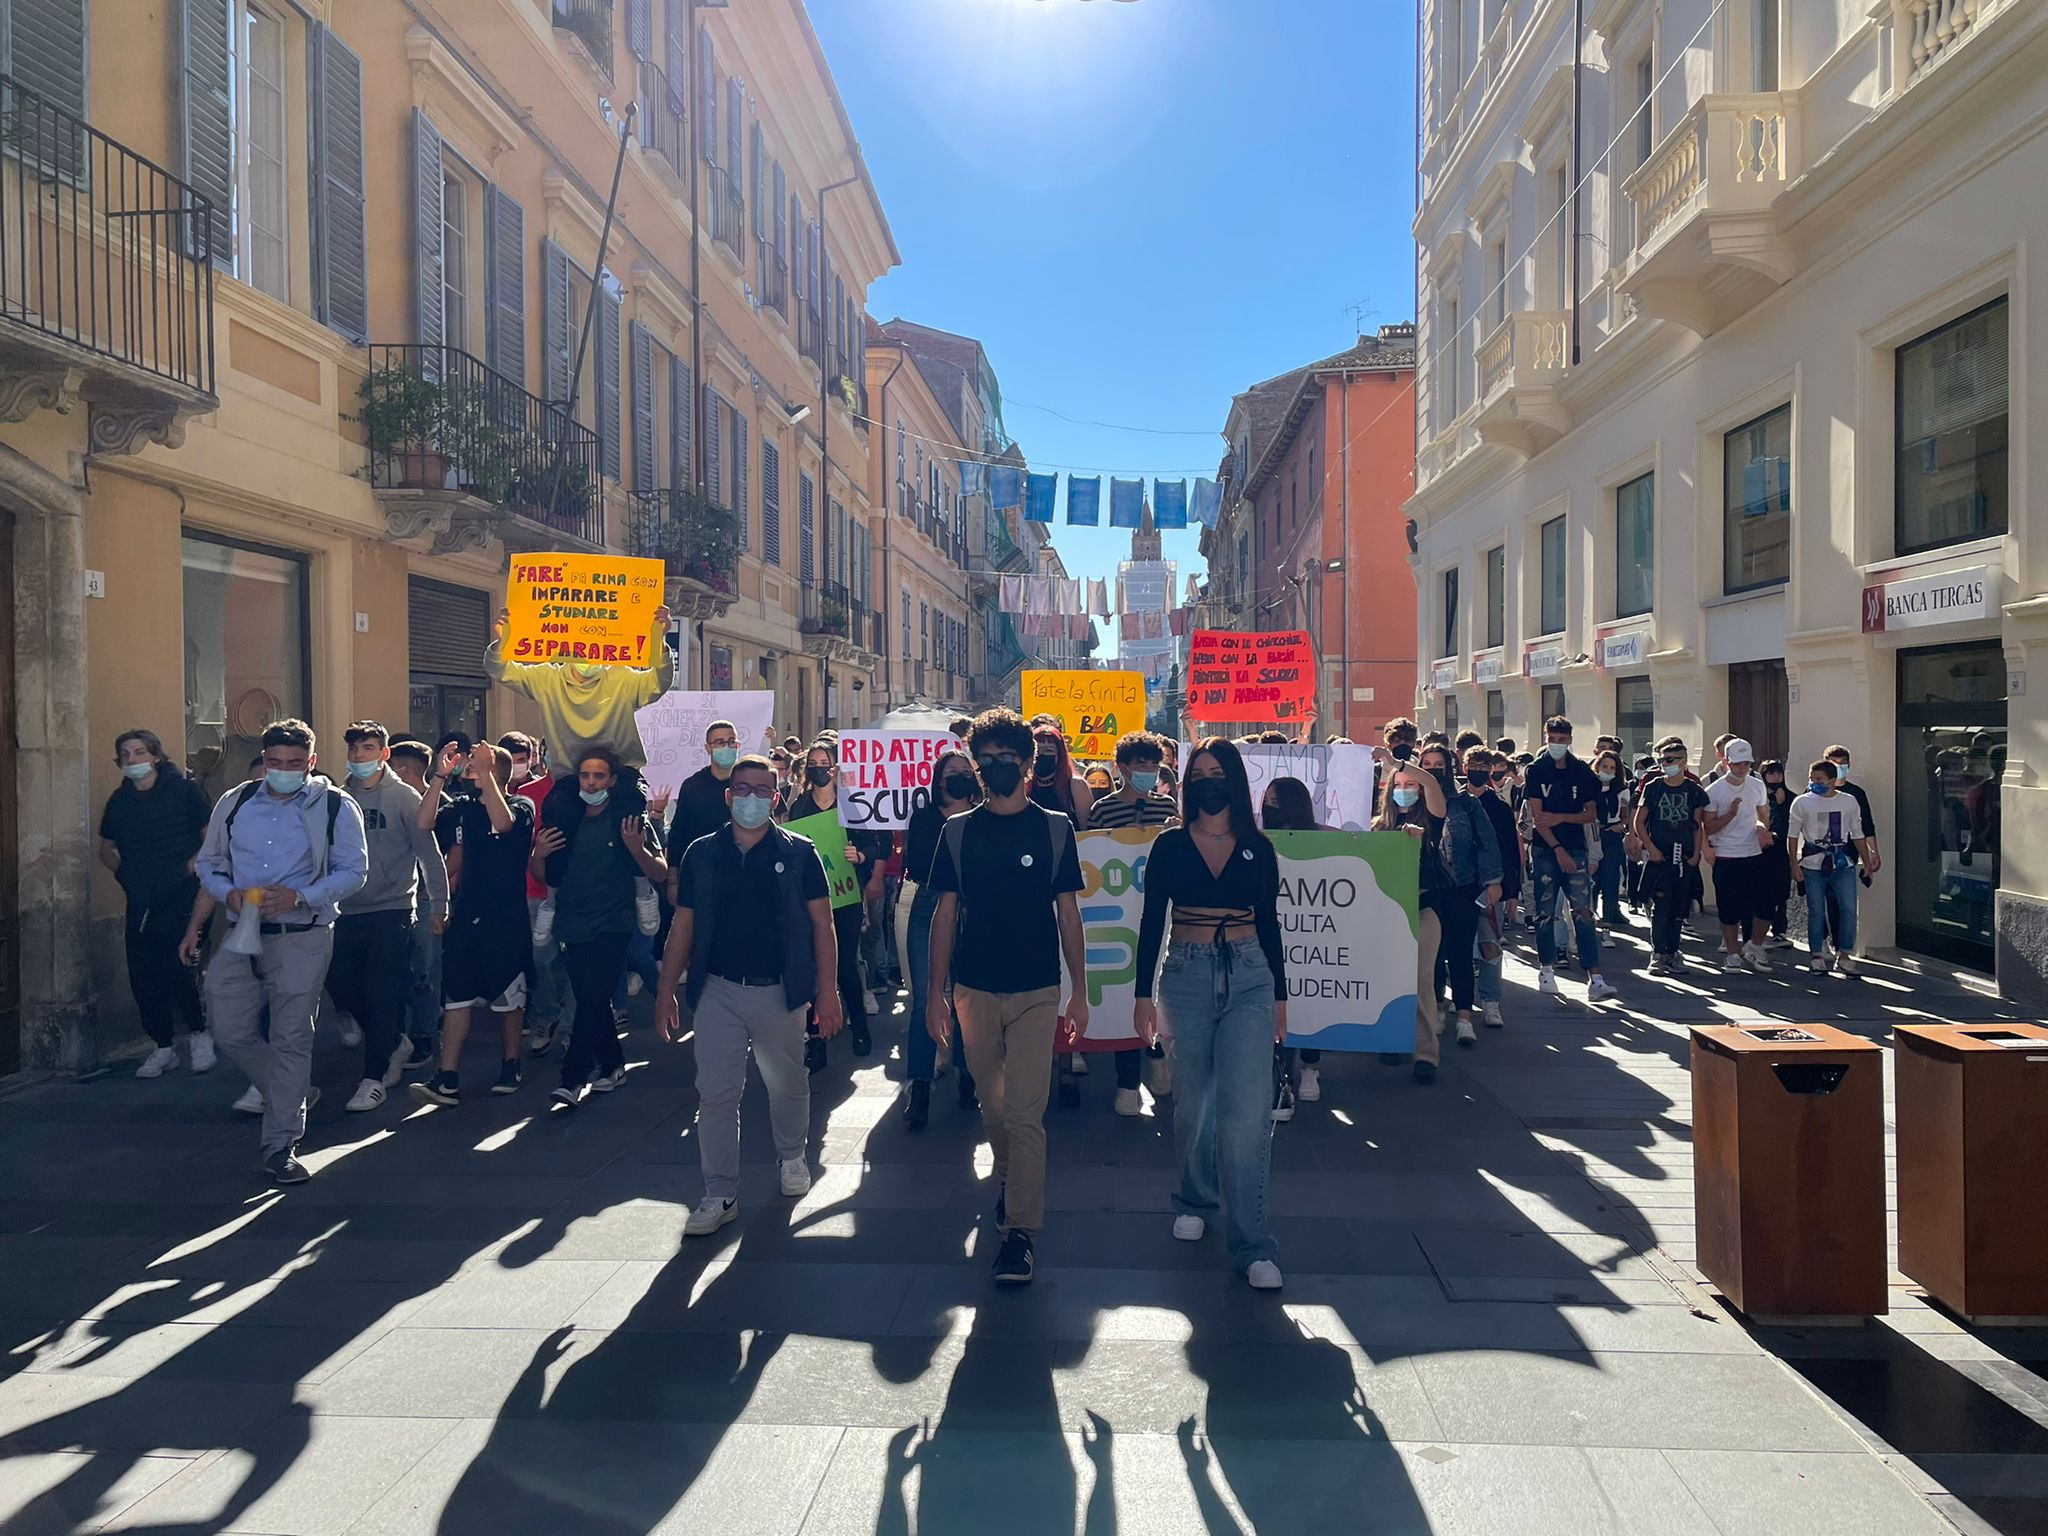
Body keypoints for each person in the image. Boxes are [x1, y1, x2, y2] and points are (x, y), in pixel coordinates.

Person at [926, 707, 1089, 1286]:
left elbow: (1068, 914)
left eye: (1005, 760)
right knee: (992, 1108)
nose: (994, 768)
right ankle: (1010, 1178)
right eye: (985, 759)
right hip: (974, 988)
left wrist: (1080, 993)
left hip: (1038, 989)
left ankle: (1020, 1232)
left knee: (1024, 1114)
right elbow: (944, 914)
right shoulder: (958, 831)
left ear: (1028, 766)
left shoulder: (1054, 829)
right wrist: (934, 995)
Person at [658, 753, 844, 1233]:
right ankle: (719, 1192)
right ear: (728, 795)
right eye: (743, 789)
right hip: (718, 988)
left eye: (763, 790)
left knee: (787, 1083)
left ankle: (791, 1156)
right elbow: (684, 923)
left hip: (779, 991)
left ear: (776, 799)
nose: (752, 798)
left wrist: (829, 992)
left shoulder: (800, 853)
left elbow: (823, 925)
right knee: (716, 1093)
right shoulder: (702, 853)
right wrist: (665, 990)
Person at [1127, 740, 1285, 1290]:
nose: (1210, 782)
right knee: (1194, 1102)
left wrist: (1281, 999)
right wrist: (1141, 994)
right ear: (1188, 782)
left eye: (1220, 774)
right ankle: (1195, 1197)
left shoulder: (1258, 848)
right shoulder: (1170, 846)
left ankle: (1253, 1243)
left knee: (1246, 1114)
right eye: (1201, 774)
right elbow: (1152, 922)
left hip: (1249, 976)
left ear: (1235, 782)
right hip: (1186, 976)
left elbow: (1270, 923)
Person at [183, 720, 368, 1184]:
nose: (283, 771)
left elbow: (354, 871)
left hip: (303, 934)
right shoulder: (236, 800)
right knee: (228, 1028)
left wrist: (301, 896)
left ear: (310, 761)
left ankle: (280, 1143)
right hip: (240, 929)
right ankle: (296, 1091)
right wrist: (226, 893)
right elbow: (208, 862)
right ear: (263, 761)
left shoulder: (335, 806)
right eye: (274, 763)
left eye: (293, 764)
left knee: (291, 1038)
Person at [531, 747, 670, 1106]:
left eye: (598, 776)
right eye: (585, 776)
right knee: (592, 1000)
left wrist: (636, 847)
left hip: (614, 922)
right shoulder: (567, 820)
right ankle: (612, 1063)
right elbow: (542, 875)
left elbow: (659, 871)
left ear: (612, 780)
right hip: (571, 921)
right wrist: (539, 855)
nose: (591, 782)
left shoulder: (628, 820)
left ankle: (573, 1077)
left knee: (590, 997)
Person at [328, 723, 449, 1112]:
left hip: (393, 908)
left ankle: (373, 1076)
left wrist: (440, 903)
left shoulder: (403, 797)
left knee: (383, 991)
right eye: (354, 750)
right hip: (342, 909)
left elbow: (428, 852)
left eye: (368, 748)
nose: (360, 756)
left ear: (383, 754)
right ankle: (395, 1040)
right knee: (343, 987)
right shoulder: (337, 799)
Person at [411, 744, 535, 1107]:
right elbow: (423, 822)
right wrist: (438, 776)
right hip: (466, 914)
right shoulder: (461, 807)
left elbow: (503, 823)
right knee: (457, 996)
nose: (468, 771)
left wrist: (488, 772)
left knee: (508, 997)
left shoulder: (520, 805)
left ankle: (511, 1063)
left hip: (506, 917)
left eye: (475, 766)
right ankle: (446, 1077)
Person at [99, 728, 213, 1078]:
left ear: (156, 756)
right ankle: (163, 1045)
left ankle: (198, 1032)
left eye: (139, 752)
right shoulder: (120, 802)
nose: (132, 760)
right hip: (142, 896)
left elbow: (210, 836)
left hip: (182, 893)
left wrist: (192, 866)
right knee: (143, 972)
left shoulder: (185, 791)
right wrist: (126, 876)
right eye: (125, 755)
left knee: (179, 964)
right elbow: (105, 849)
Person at [782, 738, 879, 1061]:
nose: (820, 769)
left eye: (826, 764)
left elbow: (873, 844)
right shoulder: (800, 807)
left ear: (837, 768)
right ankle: (816, 1038)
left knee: (845, 964)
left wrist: (861, 855)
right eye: (815, 764)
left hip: (846, 895)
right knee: (811, 966)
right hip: (811, 897)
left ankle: (860, 1026)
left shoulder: (853, 805)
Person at [899, 747, 980, 1125]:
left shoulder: (985, 817)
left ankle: (967, 1074)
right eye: (952, 771)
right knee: (923, 999)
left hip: (975, 908)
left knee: (966, 997)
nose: (960, 776)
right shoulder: (925, 818)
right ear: (939, 779)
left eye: (966, 770)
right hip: (929, 906)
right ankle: (920, 1085)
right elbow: (917, 864)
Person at [487, 603, 674, 768]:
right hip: (569, 778)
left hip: (622, 776)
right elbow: (499, 670)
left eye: (594, 643)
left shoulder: (622, 678)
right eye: (581, 643)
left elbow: (659, 682)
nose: (587, 651)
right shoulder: (546, 679)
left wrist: (659, 641)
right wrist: (503, 642)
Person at [1522, 717, 1621, 1003]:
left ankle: (1596, 977)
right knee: (1545, 911)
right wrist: (1558, 849)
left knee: (1583, 912)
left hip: (1576, 847)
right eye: (1552, 738)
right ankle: (1546, 968)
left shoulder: (1581, 771)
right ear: (1546, 738)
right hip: (1545, 850)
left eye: (1562, 739)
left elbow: (1591, 814)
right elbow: (1538, 818)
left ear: (1570, 740)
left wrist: (1562, 817)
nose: (1557, 744)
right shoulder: (1536, 770)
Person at [1417, 741, 1503, 1048]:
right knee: (1433, 956)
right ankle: (1438, 1008)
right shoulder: (1412, 801)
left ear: (1449, 767)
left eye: (1438, 765)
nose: (1433, 770)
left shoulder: (1467, 803)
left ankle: (1465, 1017)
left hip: (1462, 886)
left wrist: (1493, 881)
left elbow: (1488, 842)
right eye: (1426, 765)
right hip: (1427, 889)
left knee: (1461, 953)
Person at [1258, 774, 1322, 1117]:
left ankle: (1309, 1068)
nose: (1270, 808)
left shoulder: (1323, 838)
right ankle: (1280, 1078)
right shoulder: (1254, 839)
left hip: (1312, 939)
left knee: (1312, 1000)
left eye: (1277, 802)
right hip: (1272, 937)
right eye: (1266, 801)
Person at [1789, 760, 1875, 975]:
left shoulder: (1849, 801)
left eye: (1818, 779)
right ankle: (1816, 954)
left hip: (1842, 862)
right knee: (1816, 910)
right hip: (1812, 864)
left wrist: (1866, 862)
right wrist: (1794, 864)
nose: (1813, 782)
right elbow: (1792, 836)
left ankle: (1844, 954)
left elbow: (1857, 833)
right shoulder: (1802, 802)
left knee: (1848, 907)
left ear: (1831, 780)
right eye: (1812, 778)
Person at [1632, 743, 1710, 974]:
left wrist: (1696, 854)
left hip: (1684, 857)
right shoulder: (1654, 787)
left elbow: (1698, 826)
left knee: (1679, 908)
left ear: (1683, 762)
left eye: (1671, 760)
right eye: (1663, 760)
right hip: (1659, 856)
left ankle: (1673, 951)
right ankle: (1658, 953)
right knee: (1661, 906)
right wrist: (1650, 848)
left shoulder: (1694, 791)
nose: (1666, 764)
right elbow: (1639, 821)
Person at [1703, 737, 1775, 972]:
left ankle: (1754, 946)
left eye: (1746, 763)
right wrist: (1731, 815)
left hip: (1754, 853)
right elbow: (1709, 827)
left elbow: (1763, 814)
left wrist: (1762, 828)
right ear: (1726, 762)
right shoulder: (1715, 791)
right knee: (1729, 908)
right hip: (1726, 855)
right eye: (1737, 764)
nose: (1742, 768)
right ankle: (1733, 954)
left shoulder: (1757, 785)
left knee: (1765, 904)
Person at [1468, 750, 1520, 1028]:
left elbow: (1511, 850)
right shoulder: (1454, 803)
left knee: (1490, 945)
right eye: (1472, 765)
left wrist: (1513, 892)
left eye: (1482, 766)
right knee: (1458, 948)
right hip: (1460, 885)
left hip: (1492, 887)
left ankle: (1490, 1001)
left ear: (1490, 770)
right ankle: (1458, 998)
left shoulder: (1499, 808)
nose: (1476, 770)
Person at [1822, 744, 1883, 953]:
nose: (1839, 768)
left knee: (1845, 905)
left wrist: (1873, 853)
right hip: (1820, 856)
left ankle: (1842, 948)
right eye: (1835, 764)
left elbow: (1866, 825)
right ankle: (1823, 941)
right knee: (1823, 901)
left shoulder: (1856, 793)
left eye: (1843, 764)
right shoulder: (1815, 791)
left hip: (1847, 855)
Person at [673, 718, 741, 854]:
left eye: (731, 741)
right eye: (720, 742)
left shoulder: (749, 784)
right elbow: (679, 830)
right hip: (700, 863)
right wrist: (673, 869)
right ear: (708, 748)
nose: (726, 746)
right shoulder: (692, 786)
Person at [1026, 719, 1092, 831]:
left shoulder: (1076, 786)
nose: (1042, 755)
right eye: (1038, 751)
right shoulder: (1023, 786)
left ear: (1059, 755)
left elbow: (1087, 831)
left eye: (1049, 751)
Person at [1758, 759, 1796, 948]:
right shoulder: (1758, 796)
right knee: (1760, 891)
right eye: (1771, 773)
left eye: (1778, 773)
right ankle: (1757, 933)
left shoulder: (1791, 798)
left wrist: (1782, 805)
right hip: (1759, 851)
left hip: (1781, 851)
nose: (1775, 777)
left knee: (1781, 891)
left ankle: (1780, 930)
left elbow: (1791, 826)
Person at [1592, 748, 1632, 928]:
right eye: (1604, 766)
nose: (1608, 771)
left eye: (1612, 768)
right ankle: (1588, 913)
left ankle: (1609, 914)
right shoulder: (1589, 786)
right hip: (1593, 834)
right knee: (1593, 876)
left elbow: (1625, 815)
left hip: (1612, 835)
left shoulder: (1622, 790)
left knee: (1611, 876)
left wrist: (1620, 825)